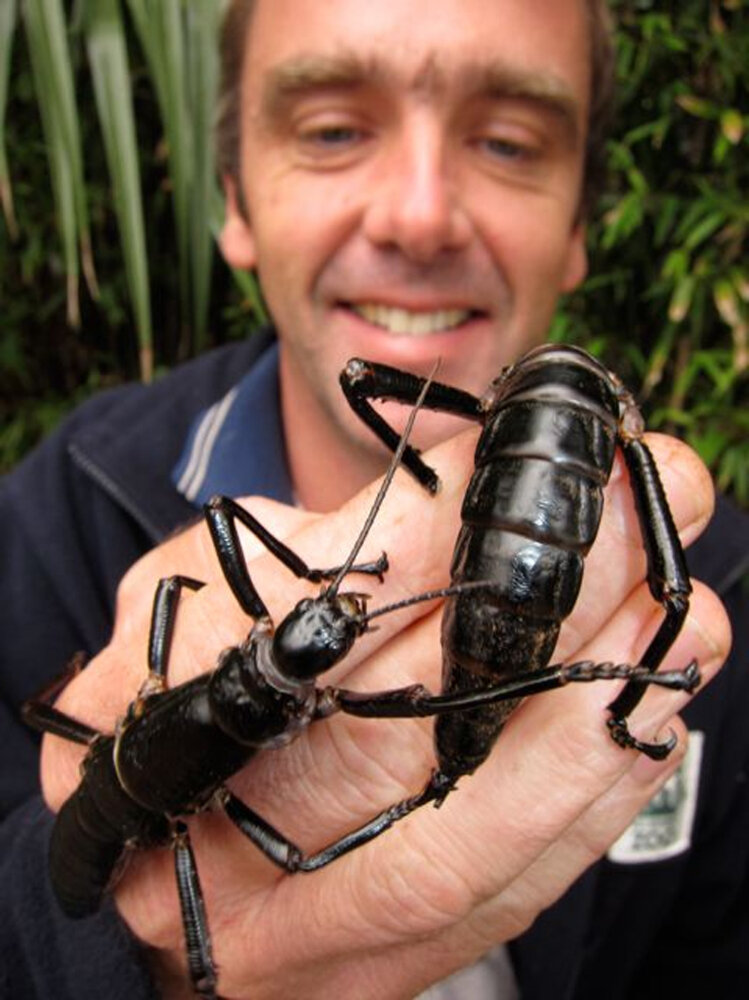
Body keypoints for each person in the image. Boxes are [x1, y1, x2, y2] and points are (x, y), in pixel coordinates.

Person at [1, 1, 746, 998]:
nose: (418, 216)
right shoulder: (55, 524)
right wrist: (98, 965)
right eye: (333, 129)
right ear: (234, 200)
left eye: (505, 140)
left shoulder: (716, 586)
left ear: (576, 229)